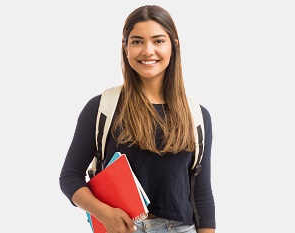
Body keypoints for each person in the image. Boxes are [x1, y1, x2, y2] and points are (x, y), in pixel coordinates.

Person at [59, 5, 216, 233]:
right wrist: (105, 214)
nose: (147, 50)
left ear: (174, 45)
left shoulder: (197, 115)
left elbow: (201, 195)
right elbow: (70, 177)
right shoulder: (102, 107)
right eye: (137, 41)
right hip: (124, 228)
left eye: (158, 41)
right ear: (125, 48)